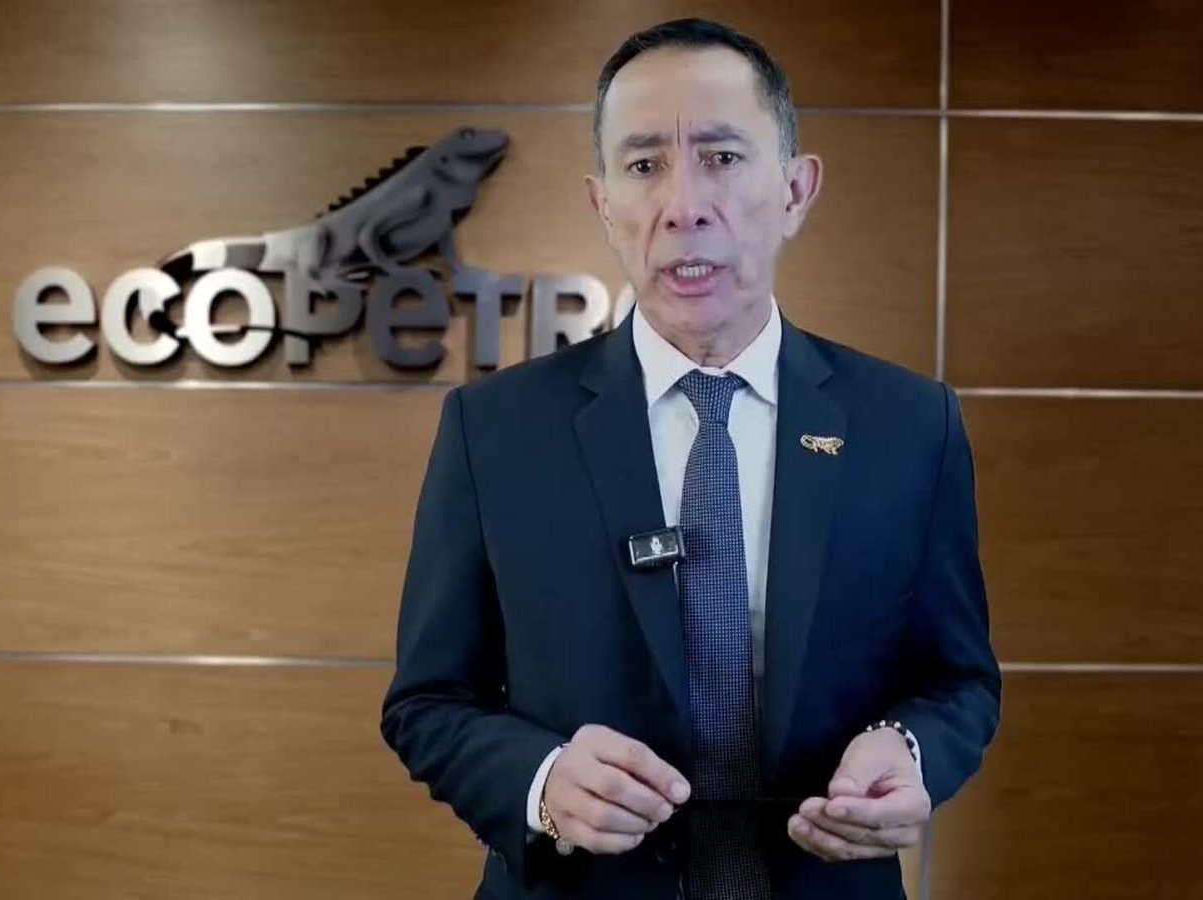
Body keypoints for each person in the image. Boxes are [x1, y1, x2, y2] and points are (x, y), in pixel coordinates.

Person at [381, 17, 1000, 900]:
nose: (683, 205)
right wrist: (541, 782)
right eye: (643, 166)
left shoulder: (909, 424)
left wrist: (909, 750)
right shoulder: (496, 430)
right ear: (603, 204)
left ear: (796, 190)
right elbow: (429, 701)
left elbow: (959, 681)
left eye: (721, 157)